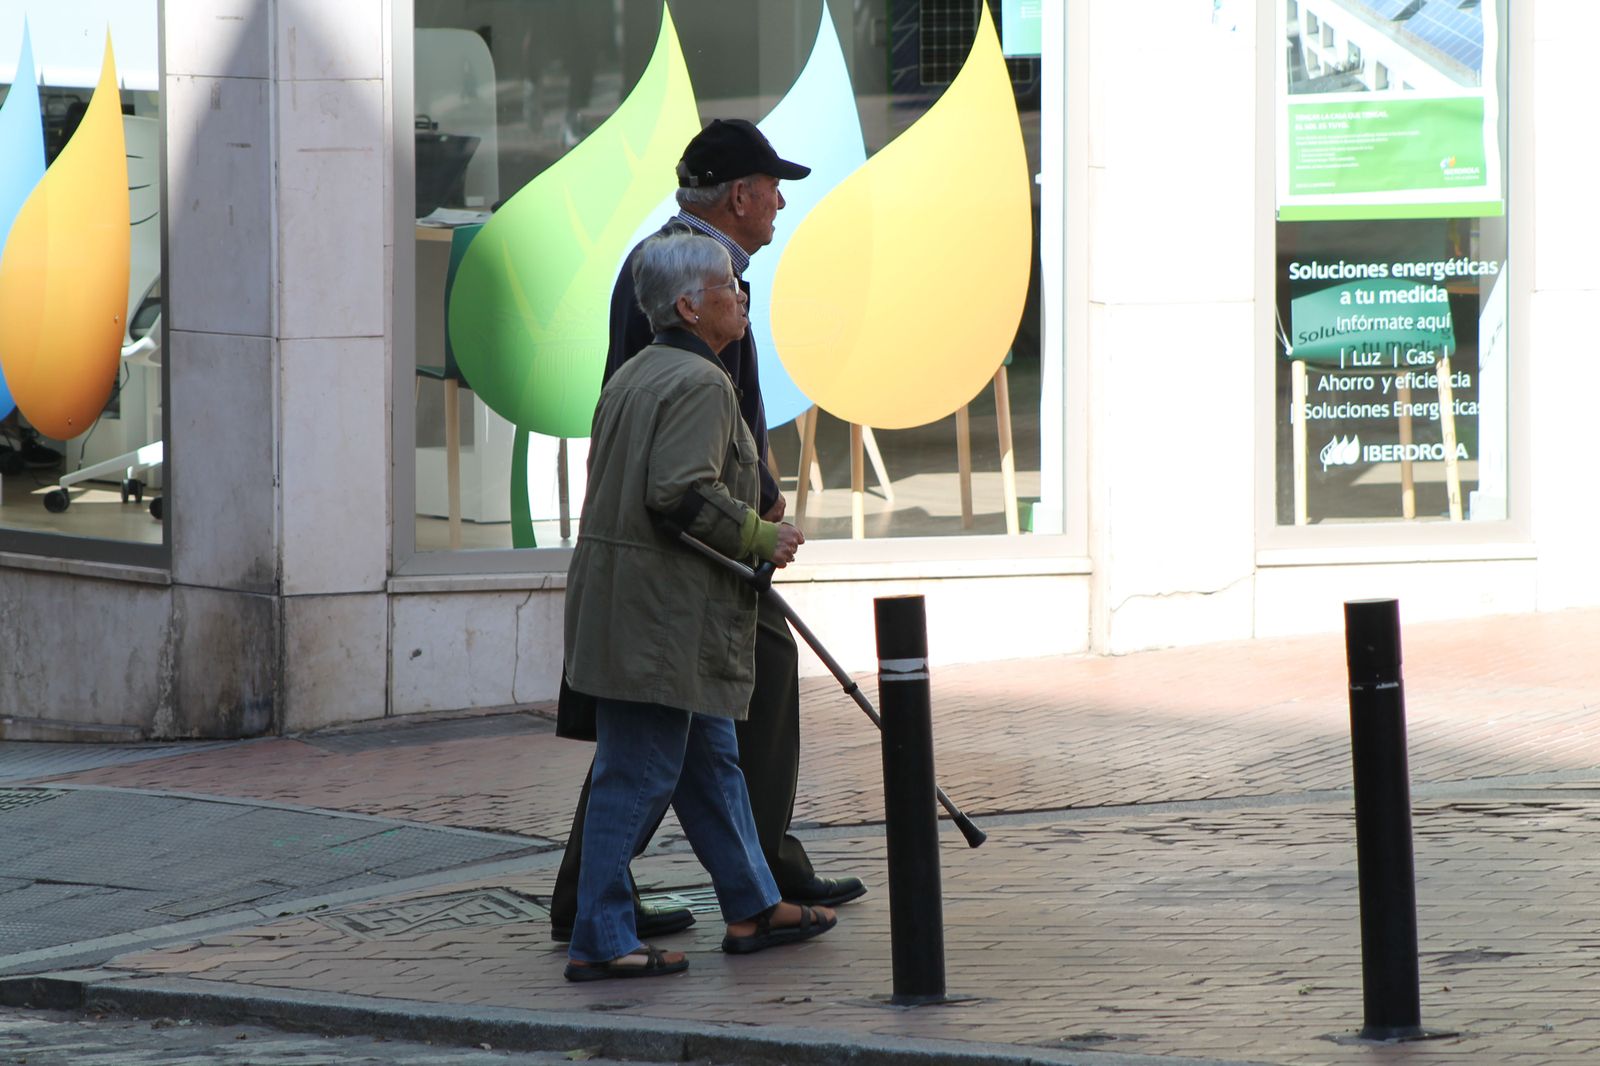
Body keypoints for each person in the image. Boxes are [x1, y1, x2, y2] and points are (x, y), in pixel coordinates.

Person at [550, 120, 865, 944]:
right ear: (737, 194)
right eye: (771, 186)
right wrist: (754, 527)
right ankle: (600, 914)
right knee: (657, 741)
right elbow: (683, 472)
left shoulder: (685, 288)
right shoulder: (688, 303)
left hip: (682, 559)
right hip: (682, 567)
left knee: (703, 742)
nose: (780, 202)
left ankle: (753, 893)